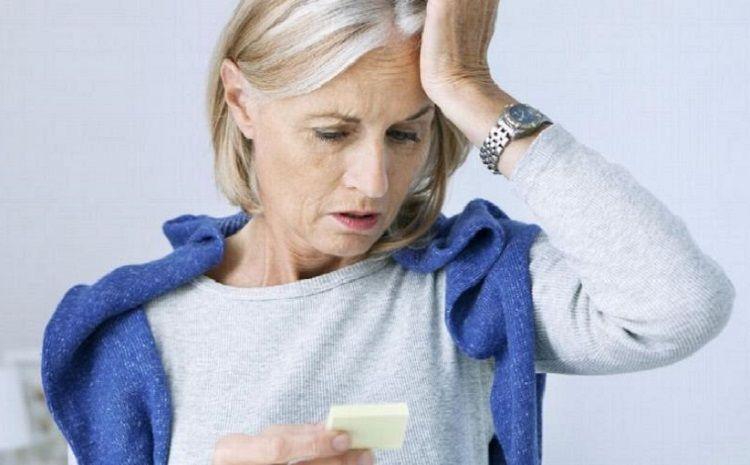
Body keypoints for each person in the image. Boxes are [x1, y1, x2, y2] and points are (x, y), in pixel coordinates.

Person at [55, 1, 735, 464]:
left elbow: (680, 306)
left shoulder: (472, 287)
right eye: (333, 132)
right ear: (242, 102)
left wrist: (471, 86)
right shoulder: (135, 334)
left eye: (406, 133)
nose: (376, 181)